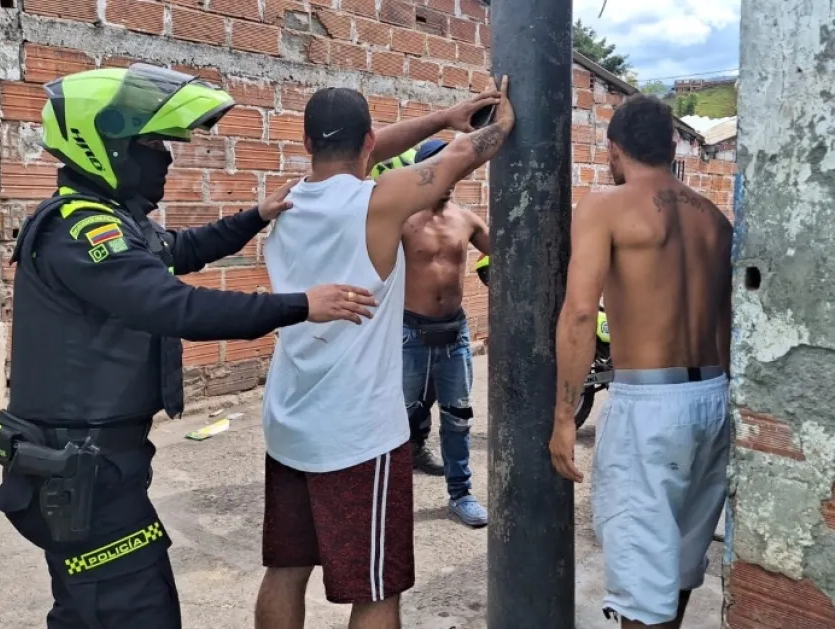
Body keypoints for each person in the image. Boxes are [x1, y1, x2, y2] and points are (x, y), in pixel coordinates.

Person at [0, 63, 378, 629]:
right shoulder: (79, 230)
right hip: (82, 470)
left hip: (103, 463)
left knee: (90, 611)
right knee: (131, 610)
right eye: (151, 144)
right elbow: (175, 306)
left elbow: (181, 248)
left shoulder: (111, 220)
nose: (164, 158)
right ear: (106, 147)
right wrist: (299, 304)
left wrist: (257, 215)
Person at [255, 78, 514, 629]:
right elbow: (461, 158)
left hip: (289, 422)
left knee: (285, 568)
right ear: (369, 143)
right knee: (377, 591)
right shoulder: (380, 200)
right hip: (357, 436)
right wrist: (501, 124)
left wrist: (447, 115)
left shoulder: (285, 201)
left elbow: (367, 151)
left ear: (305, 143)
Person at [549, 94, 733, 629]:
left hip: (650, 406)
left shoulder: (604, 207)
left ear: (613, 149)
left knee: (639, 576)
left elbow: (582, 314)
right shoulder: (715, 221)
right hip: (713, 398)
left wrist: (564, 417)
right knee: (676, 568)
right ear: (674, 144)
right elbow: (725, 323)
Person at [388, 138, 491, 527]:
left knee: (459, 416)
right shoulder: (402, 220)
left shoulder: (466, 220)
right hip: (409, 333)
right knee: (397, 419)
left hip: (454, 334)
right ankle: (390, 497)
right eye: (437, 167)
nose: (446, 176)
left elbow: (505, 251)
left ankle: (460, 493)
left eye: (453, 167)